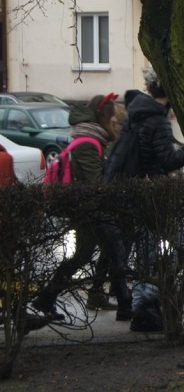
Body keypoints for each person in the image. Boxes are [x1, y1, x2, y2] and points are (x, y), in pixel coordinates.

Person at [31, 94, 133, 321]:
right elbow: (95, 183)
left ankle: (45, 299)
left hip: (85, 209)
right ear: (105, 118)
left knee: (85, 256)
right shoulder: (88, 143)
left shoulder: (90, 139)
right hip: (89, 210)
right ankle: (126, 306)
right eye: (114, 118)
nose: (116, 122)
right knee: (113, 252)